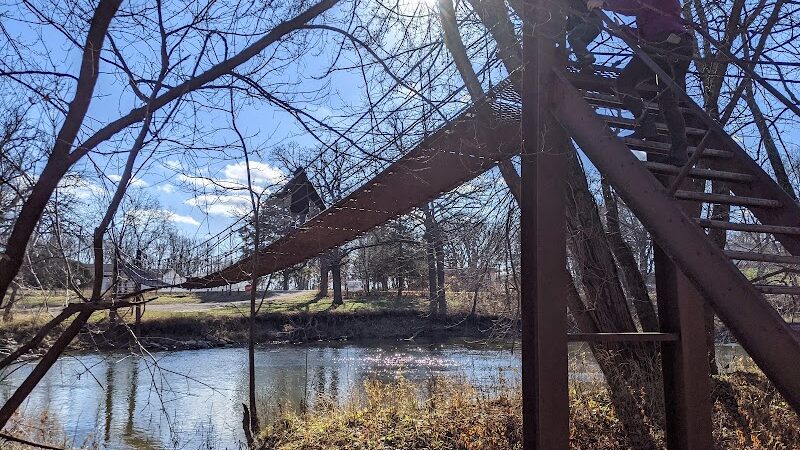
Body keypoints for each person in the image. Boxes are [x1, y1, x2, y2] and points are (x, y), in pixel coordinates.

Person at [587, 0, 693, 166]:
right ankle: (680, 154)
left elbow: (634, 4)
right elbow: (645, 32)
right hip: (678, 45)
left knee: (624, 83)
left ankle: (647, 125)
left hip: (663, 44)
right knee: (668, 101)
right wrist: (624, 30)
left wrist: (605, 4)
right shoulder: (658, 13)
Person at [567, 0, 602, 68]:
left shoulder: (575, 3)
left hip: (592, 24)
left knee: (572, 37)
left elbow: (586, 9)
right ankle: (585, 63)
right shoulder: (570, 18)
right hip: (589, 31)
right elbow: (567, 28)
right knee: (575, 42)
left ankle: (587, 58)